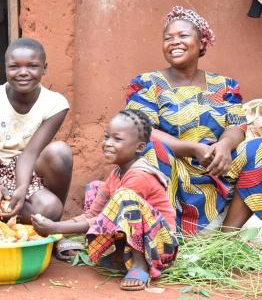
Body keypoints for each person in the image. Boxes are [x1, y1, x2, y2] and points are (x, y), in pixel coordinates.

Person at [125, 5, 262, 234]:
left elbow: (236, 125)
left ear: (202, 43)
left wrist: (224, 145)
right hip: (173, 171)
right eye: (168, 38)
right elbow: (141, 129)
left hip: (217, 168)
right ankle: (167, 236)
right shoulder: (148, 83)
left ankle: (225, 239)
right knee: (150, 148)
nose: (174, 42)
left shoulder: (225, 85)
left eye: (183, 35)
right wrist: (193, 149)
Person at [31, 109, 178, 291]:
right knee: (95, 187)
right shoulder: (117, 173)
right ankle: (120, 254)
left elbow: (103, 221)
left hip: (160, 246)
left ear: (139, 147)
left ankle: (140, 265)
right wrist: (50, 232)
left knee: (125, 200)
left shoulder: (140, 176)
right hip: (139, 237)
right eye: (107, 137)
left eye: (117, 139)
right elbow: (92, 215)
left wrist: (55, 228)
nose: (107, 144)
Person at [0, 37, 73, 225]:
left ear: (45, 68)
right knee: (45, 210)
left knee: (60, 152)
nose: (23, 72)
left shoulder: (55, 103)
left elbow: (31, 152)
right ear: (5, 68)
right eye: (14, 67)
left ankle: (53, 227)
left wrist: (22, 188)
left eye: (33, 66)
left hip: (31, 167)